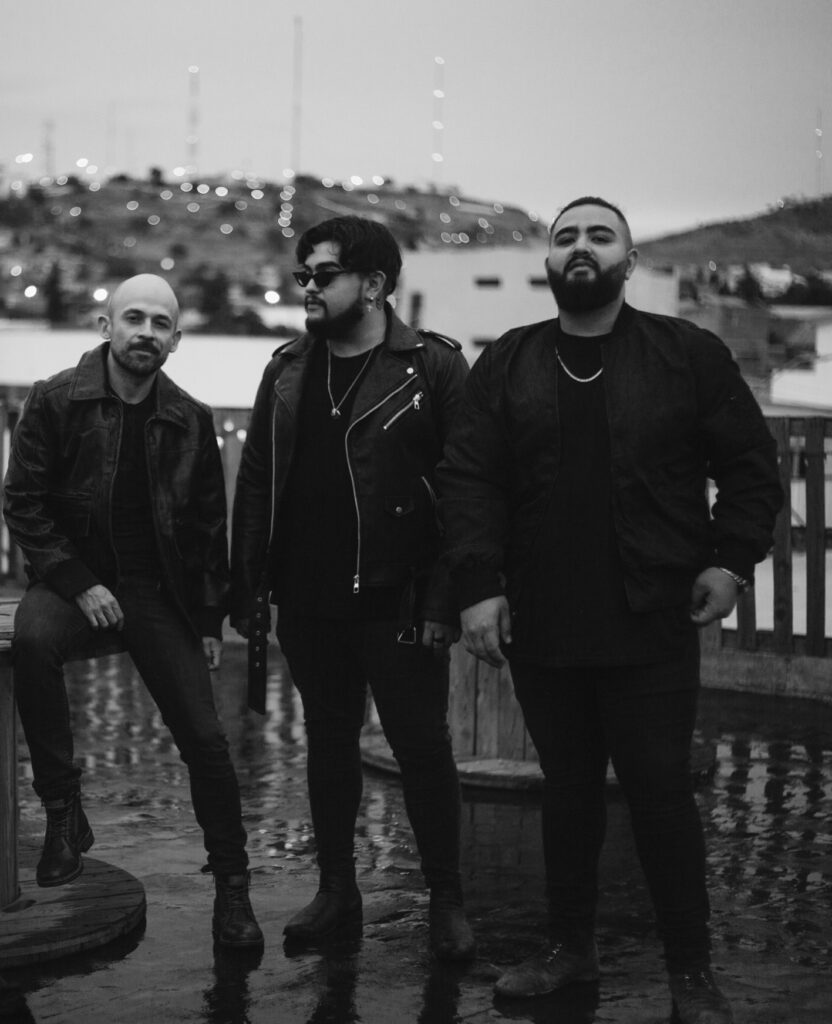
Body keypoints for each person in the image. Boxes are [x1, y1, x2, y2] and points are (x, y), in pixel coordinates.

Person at [436, 198, 783, 1022]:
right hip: (545, 619)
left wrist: (732, 562)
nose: (581, 247)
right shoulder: (510, 360)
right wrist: (478, 585)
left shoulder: (685, 354)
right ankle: (570, 949)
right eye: (566, 238)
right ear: (549, 263)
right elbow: (469, 478)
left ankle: (690, 971)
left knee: (660, 792)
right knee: (567, 792)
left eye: (600, 235)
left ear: (628, 260)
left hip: (652, 616)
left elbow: (750, 466)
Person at [230, 216, 475, 960]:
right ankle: (337, 890)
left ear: (373, 284)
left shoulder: (432, 367)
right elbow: (258, 480)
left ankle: (447, 901)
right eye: (303, 275)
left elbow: (466, 490)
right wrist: (249, 586)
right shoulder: (287, 368)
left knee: (421, 749)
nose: (308, 287)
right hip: (309, 598)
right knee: (329, 743)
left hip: (400, 599)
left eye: (324, 275)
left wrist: (445, 600)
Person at [3, 274, 262, 949]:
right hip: (73, 578)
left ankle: (233, 888)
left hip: (156, 590)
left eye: (160, 323)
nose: (146, 332)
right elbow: (23, 501)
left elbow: (206, 526)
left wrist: (207, 620)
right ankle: (63, 813)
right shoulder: (56, 398)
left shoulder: (190, 417)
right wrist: (78, 582)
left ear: (176, 340)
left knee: (206, 739)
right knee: (31, 641)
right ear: (107, 326)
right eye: (135, 318)